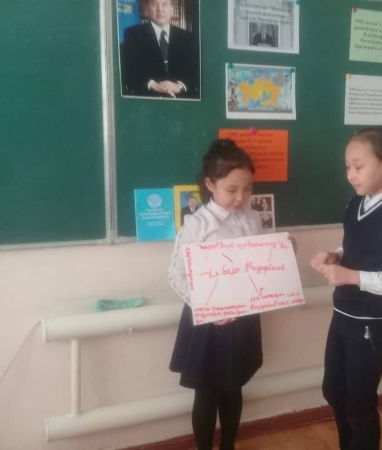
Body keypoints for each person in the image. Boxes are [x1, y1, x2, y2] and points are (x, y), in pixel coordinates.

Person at [310, 122, 382, 450]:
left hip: (371, 325)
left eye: (358, 167)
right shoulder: (356, 204)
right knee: (334, 390)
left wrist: (351, 276)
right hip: (343, 314)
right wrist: (336, 255)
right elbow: (358, 249)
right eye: (348, 167)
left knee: (360, 404)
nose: (350, 175)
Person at [168, 139, 263, 450]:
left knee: (234, 388)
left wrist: (280, 253)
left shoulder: (252, 218)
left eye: (247, 189)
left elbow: (258, 263)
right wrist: (210, 310)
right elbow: (177, 276)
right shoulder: (198, 224)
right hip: (209, 322)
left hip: (242, 318)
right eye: (231, 189)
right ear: (210, 184)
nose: (240, 197)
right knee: (207, 393)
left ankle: (229, 446)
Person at [121, 0, 200, 99]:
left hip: (182, 99)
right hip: (148, 98)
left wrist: (179, 86)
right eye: (154, 4)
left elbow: (195, 72)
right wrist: (153, 85)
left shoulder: (188, 37)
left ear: (172, 10)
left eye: (164, 4)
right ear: (147, 9)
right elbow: (128, 70)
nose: (160, 9)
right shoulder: (133, 34)